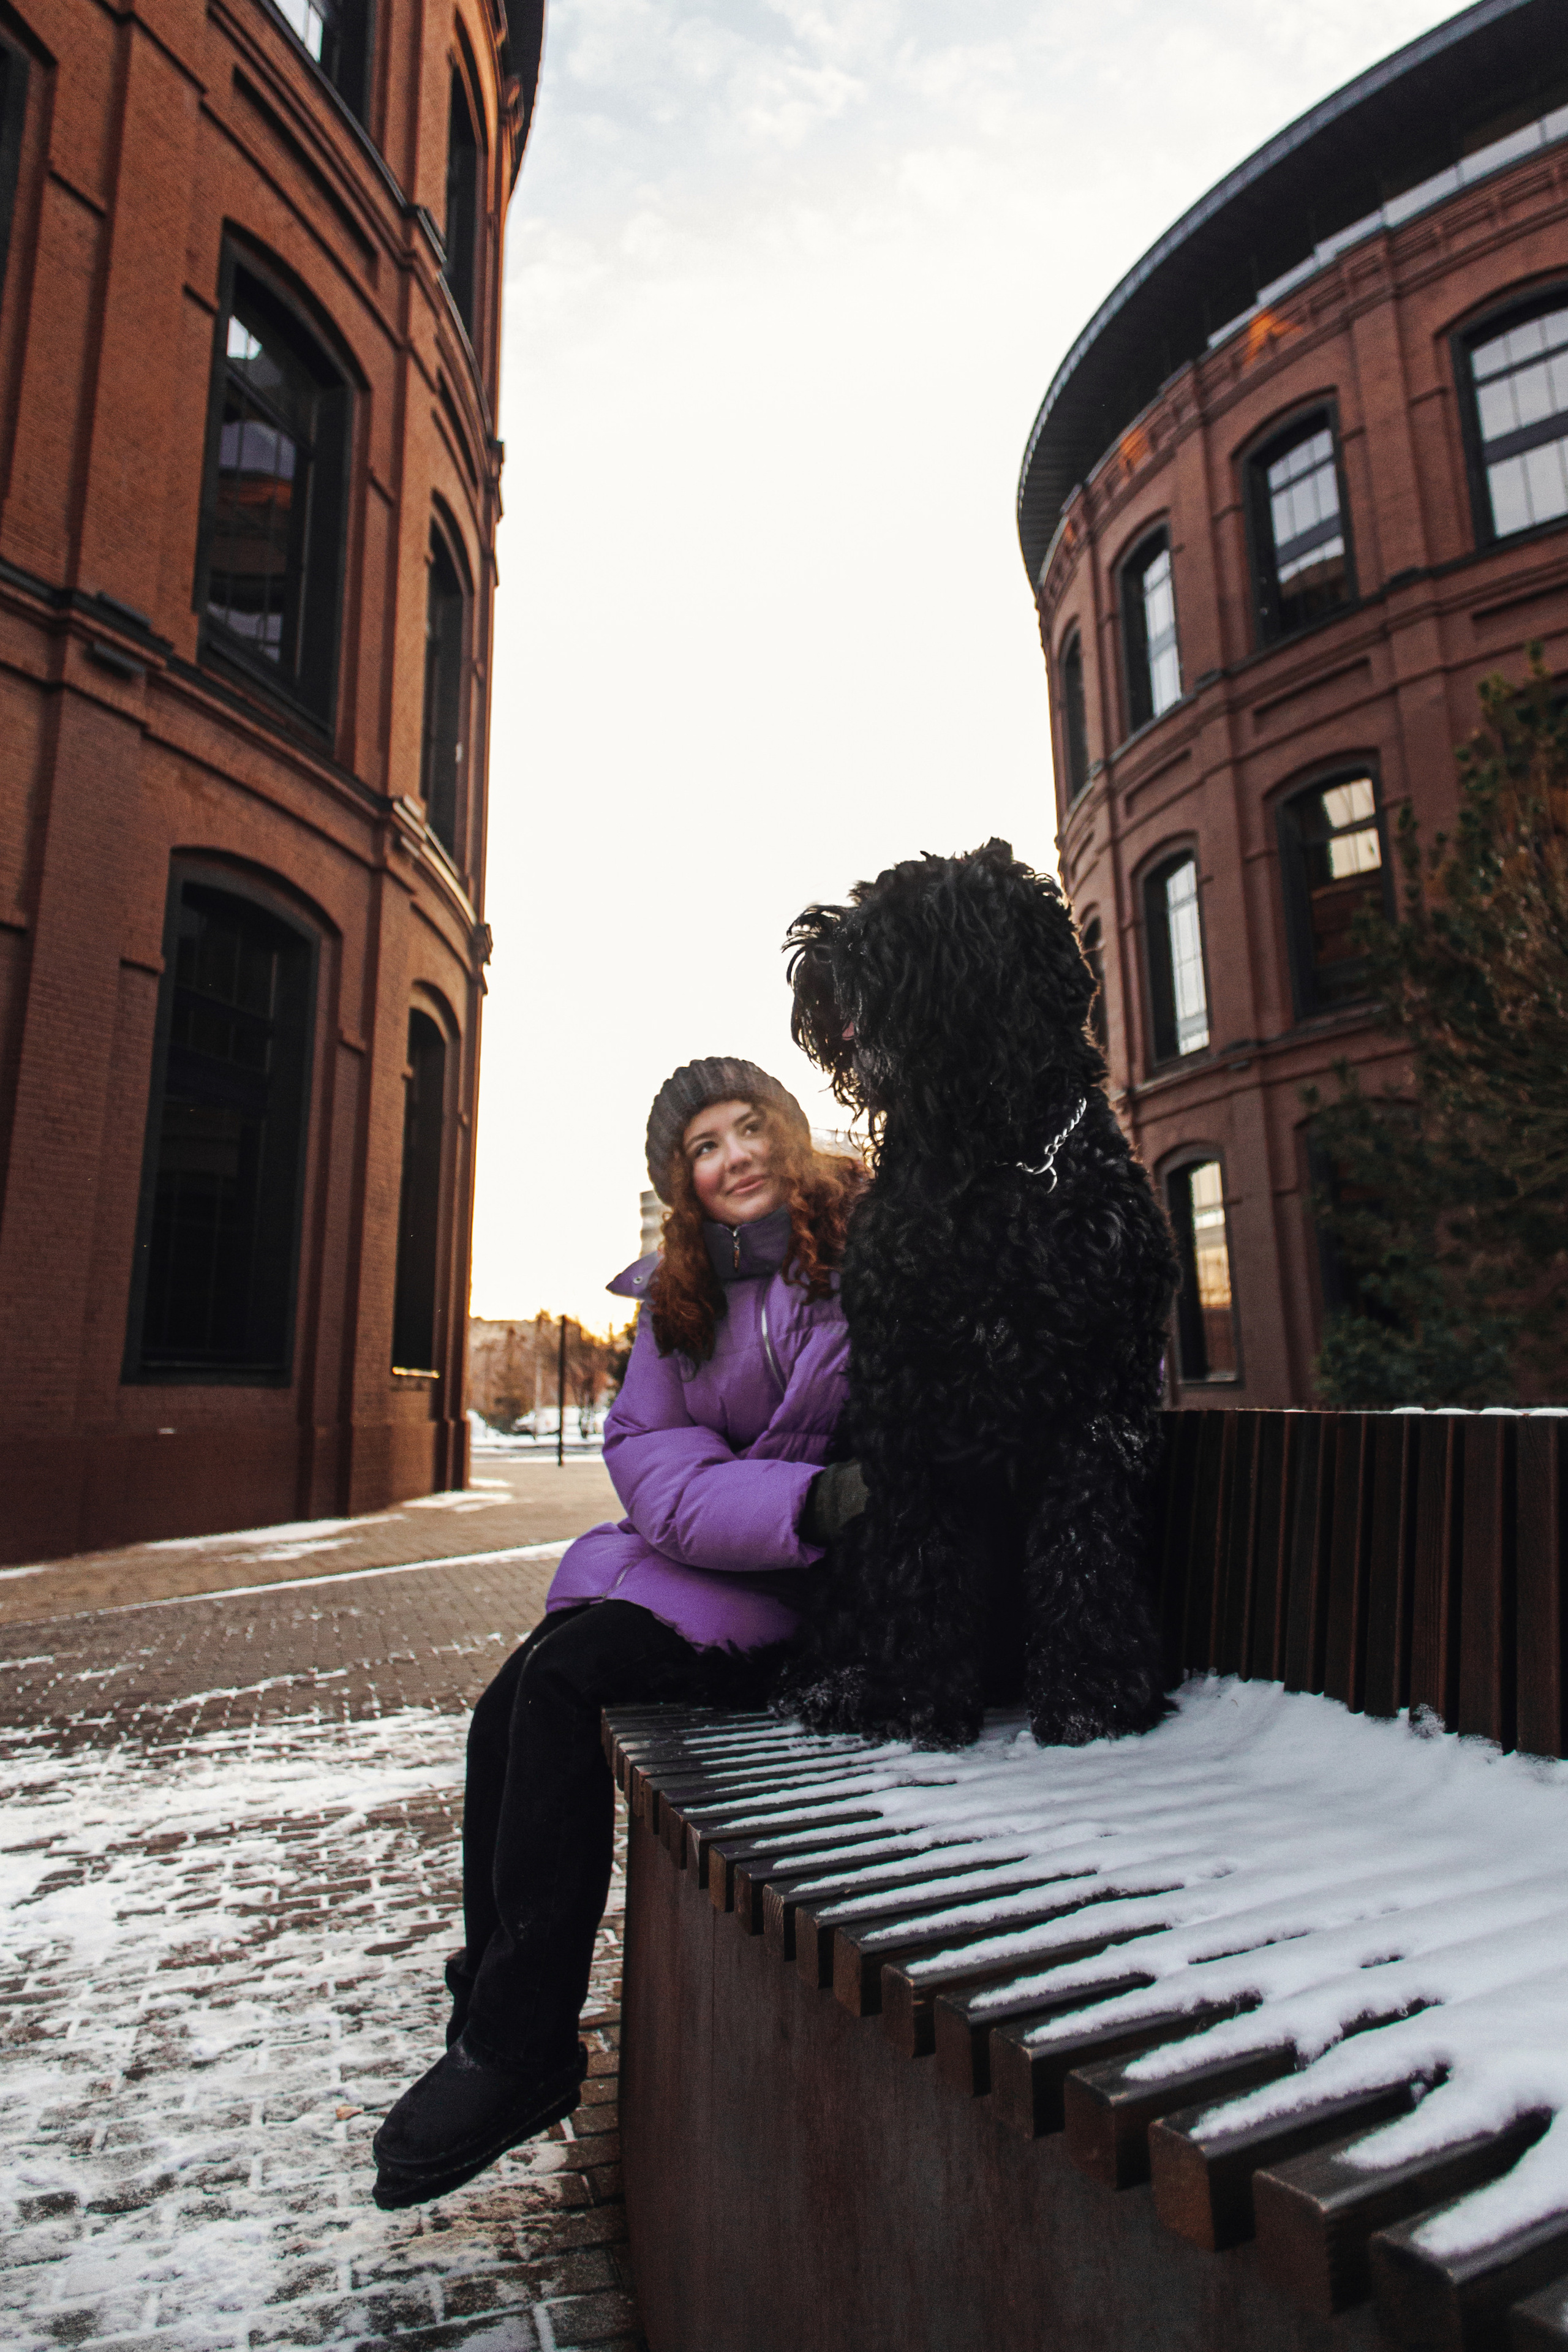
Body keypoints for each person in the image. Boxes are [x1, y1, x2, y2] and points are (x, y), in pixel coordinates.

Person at [371, 1057, 869, 2209]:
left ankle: (518, 2046)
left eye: (751, 1130)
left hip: (819, 1605)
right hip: (744, 1560)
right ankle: (492, 2023)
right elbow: (649, 1459)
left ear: (788, 1138)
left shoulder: (856, 1251)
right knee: (513, 1700)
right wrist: (800, 1501)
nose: (735, 1157)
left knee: (561, 1687)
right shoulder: (677, 1299)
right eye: (706, 1146)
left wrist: (821, 1508)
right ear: (679, 1180)